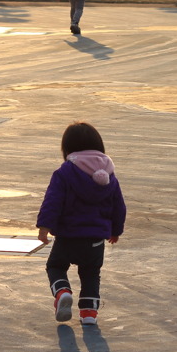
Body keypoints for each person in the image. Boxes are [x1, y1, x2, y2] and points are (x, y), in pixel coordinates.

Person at [37, 122, 126, 326]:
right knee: (90, 274)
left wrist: (44, 227)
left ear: (67, 148)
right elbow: (119, 206)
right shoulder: (109, 175)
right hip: (95, 239)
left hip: (68, 236)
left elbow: (53, 201)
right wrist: (116, 230)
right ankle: (88, 314)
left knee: (56, 265)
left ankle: (62, 292)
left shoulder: (65, 172)